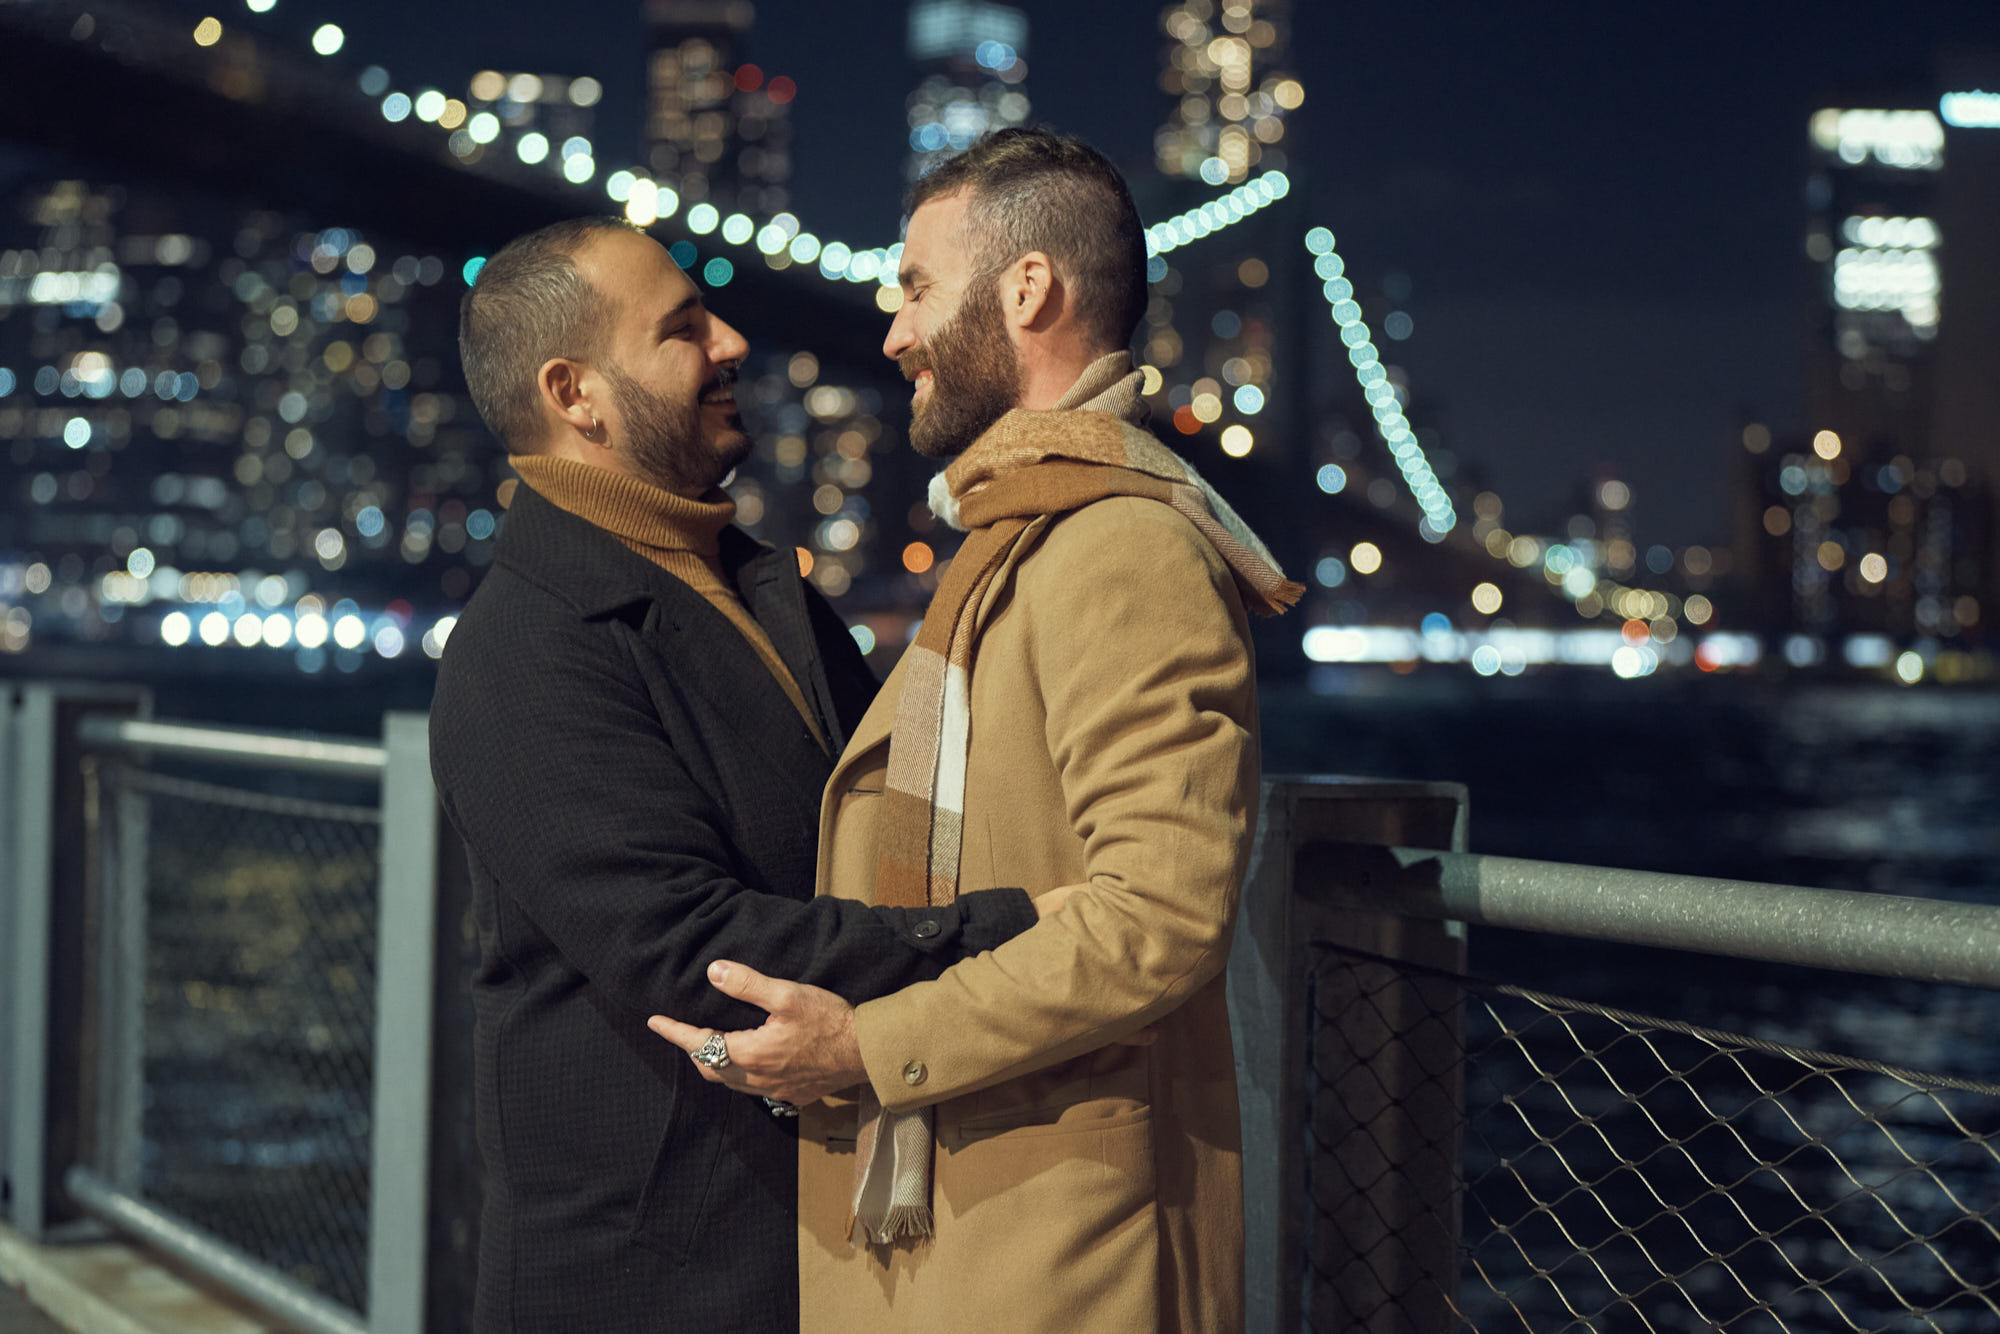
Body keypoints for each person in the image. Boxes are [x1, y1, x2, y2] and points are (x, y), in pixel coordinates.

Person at [649, 129, 1300, 1332]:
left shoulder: (1121, 547)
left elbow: (1158, 916)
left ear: (1026, 289)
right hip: (962, 1215)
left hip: (1058, 1247)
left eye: (914, 287)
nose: (892, 331)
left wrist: (865, 1043)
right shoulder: (1015, 539)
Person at [430, 216, 1041, 1333]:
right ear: (577, 393)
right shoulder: (521, 651)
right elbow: (686, 947)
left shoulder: (765, 591)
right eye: (683, 328)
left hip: (807, 1244)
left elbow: (901, 800)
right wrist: (1021, 931)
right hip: (644, 1279)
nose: (733, 339)